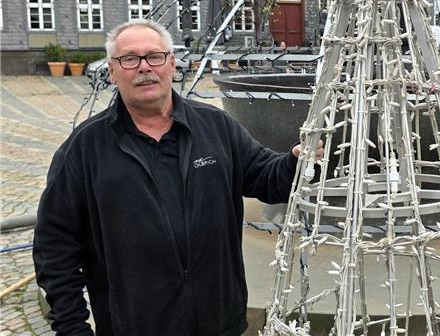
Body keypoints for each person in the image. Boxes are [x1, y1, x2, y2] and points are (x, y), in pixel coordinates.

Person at [33, 19, 322, 335]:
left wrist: (296, 161)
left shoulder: (215, 127)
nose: (144, 67)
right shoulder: (84, 149)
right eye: (129, 59)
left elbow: (266, 177)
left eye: (154, 56)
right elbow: (54, 247)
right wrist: (72, 326)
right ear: (113, 72)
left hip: (220, 322)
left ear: (171, 63)